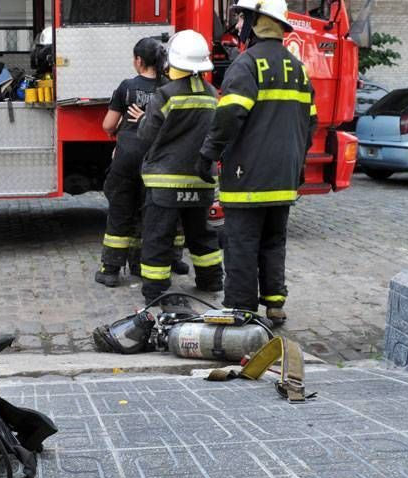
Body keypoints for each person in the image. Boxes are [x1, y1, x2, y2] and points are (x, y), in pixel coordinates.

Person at [198, 0, 317, 325]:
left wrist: (208, 153)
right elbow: (311, 123)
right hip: (284, 178)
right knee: (274, 241)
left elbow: (229, 115)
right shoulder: (299, 68)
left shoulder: (247, 64)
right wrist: (297, 162)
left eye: (241, 19)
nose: (237, 26)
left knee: (241, 244)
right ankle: (275, 304)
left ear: (256, 20)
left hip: (247, 176)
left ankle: (241, 307)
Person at [134, 30, 224, 305]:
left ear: (172, 61)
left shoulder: (165, 94)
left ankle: (156, 289)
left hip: (165, 183)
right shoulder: (212, 94)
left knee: (158, 236)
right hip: (201, 180)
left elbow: (147, 136)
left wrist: (141, 121)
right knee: (203, 235)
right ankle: (211, 280)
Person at [95, 37, 169, 287]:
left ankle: (110, 270)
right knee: (146, 215)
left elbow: (107, 125)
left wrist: (118, 133)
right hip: (155, 163)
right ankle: (140, 265)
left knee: (119, 211)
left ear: (139, 61)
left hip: (126, 159)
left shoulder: (127, 87)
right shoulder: (169, 88)